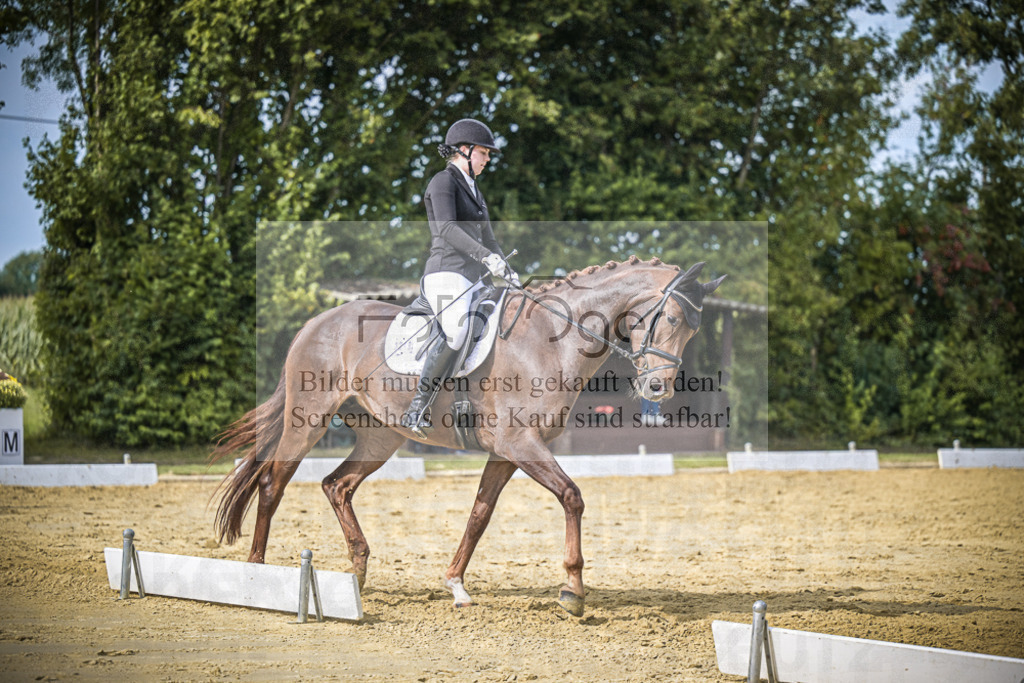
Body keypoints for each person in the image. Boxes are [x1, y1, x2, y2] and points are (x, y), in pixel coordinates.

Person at [401, 118, 520, 437]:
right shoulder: (443, 182)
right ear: (465, 150)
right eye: (484, 152)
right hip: (446, 273)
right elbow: (447, 229)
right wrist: (485, 256)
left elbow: (489, 238)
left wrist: (505, 267)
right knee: (456, 331)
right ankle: (418, 407)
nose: (488, 159)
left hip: (475, 278)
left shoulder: (476, 191)